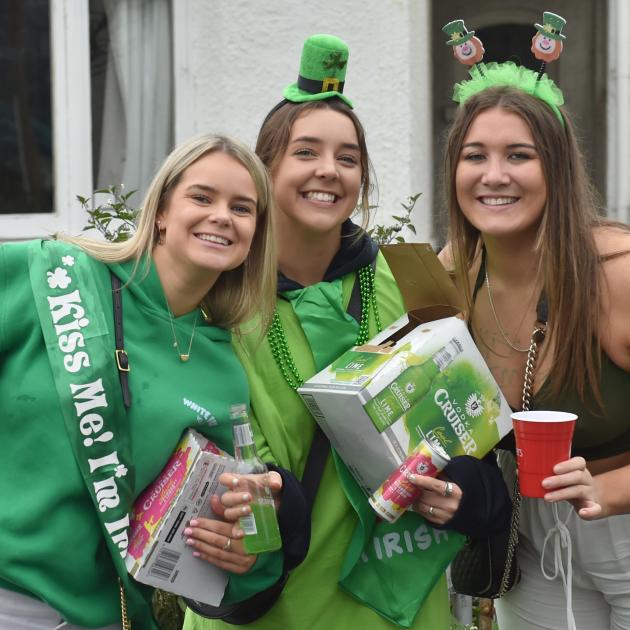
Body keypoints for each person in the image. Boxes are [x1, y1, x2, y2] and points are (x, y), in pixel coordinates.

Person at [184, 34, 510, 630]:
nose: (328, 172)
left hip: (397, 603)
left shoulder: (411, 278)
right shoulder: (217, 297)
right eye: (306, 152)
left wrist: (462, 489)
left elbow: (470, 425)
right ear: (266, 167)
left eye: (349, 157)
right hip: (270, 597)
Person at [0, 134, 309, 629]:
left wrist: (246, 550)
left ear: (256, 233)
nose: (222, 217)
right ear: (162, 210)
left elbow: (219, 540)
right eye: (202, 197)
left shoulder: (222, 369)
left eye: (242, 208)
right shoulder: (53, 276)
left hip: (99, 616)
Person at [439, 61, 630, 629]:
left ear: (557, 169)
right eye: (475, 156)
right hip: (531, 538)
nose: (494, 175)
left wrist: (609, 487)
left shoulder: (614, 275)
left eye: (518, 155)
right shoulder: (456, 273)